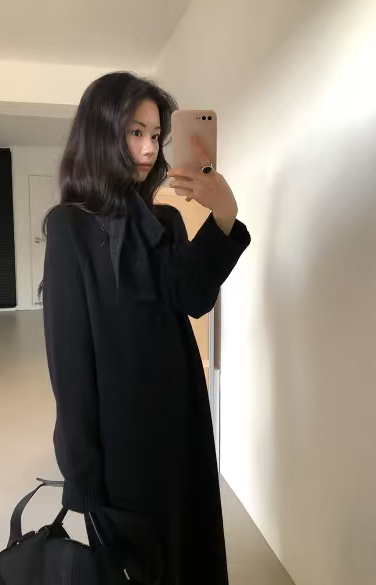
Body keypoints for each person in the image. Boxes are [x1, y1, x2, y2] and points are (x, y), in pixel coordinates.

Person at [42, 71, 251, 585]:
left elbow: (194, 299)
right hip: (122, 448)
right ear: (102, 132)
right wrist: (82, 472)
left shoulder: (165, 221)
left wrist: (224, 217)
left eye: (156, 135)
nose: (149, 148)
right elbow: (70, 364)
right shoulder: (70, 227)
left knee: (191, 557)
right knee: (137, 570)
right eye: (136, 132)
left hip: (183, 427)